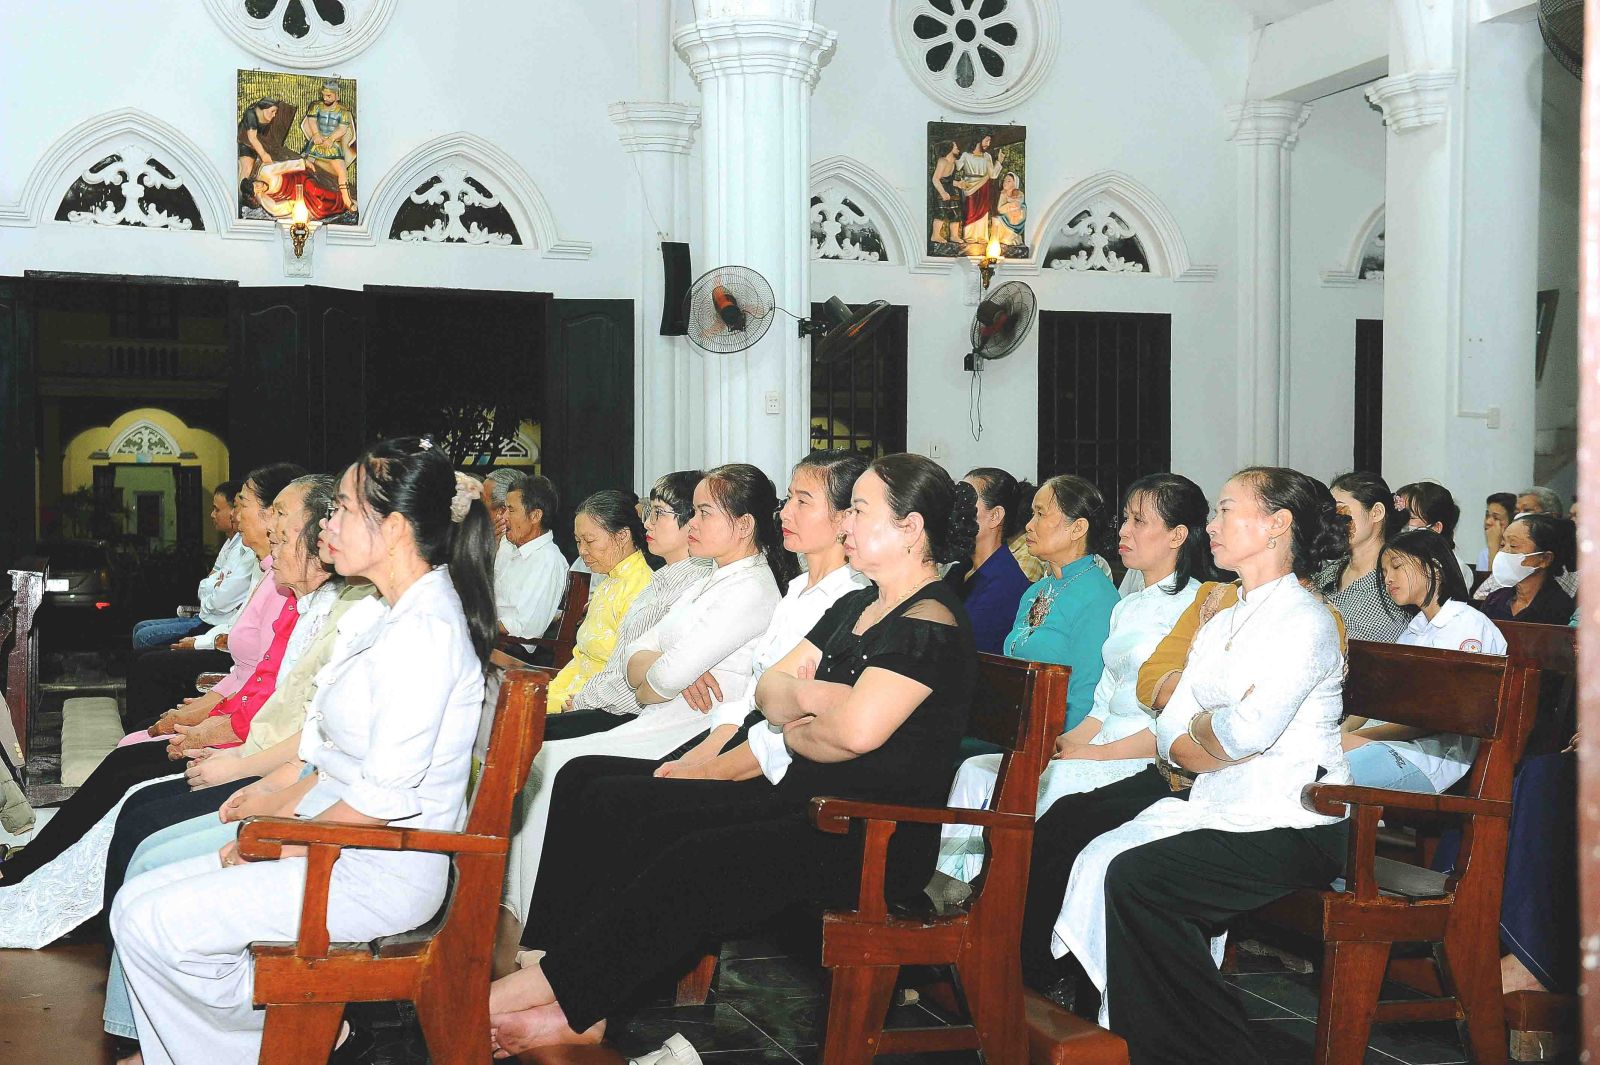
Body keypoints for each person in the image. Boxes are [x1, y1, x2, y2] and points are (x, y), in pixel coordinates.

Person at [484, 453, 978, 1054]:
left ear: (910, 527)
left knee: (697, 857)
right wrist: (812, 702)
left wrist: (797, 720)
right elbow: (769, 690)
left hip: (870, 837)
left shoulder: (929, 620)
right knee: (644, 812)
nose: (846, 523)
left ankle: (555, 997)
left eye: (858, 510)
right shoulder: (857, 606)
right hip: (806, 802)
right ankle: (575, 997)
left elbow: (852, 734)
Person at [112, 438, 495, 1065]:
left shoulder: (424, 633)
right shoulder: (385, 613)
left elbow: (381, 802)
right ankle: (264, 1042)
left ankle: (254, 1046)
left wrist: (279, 838)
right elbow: (333, 753)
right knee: (135, 905)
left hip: (374, 870)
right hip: (336, 842)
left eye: (340, 509)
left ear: (394, 528)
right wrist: (276, 800)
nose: (327, 526)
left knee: (154, 924)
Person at [1050, 466, 1350, 1064]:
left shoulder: (1306, 621)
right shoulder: (1225, 616)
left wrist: (1206, 731)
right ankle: (1154, 1044)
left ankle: (1213, 1050)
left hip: (1294, 822)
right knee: (1109, 860)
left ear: (1276, 525)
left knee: (1141, 879)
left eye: (1226, 510)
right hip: (1219, 804)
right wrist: (1207, 731)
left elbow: (1247, 731)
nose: (1210, 525)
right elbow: (1171, 732)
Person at [497, 465, 786, 926]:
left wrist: (657, 669)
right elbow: (638, 650)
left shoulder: (750, 587)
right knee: (544, 758)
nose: (692, 524)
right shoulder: (710, 578)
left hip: (693, 727)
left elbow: (660, 681)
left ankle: (540, 920)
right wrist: (658, 667)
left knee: (557, 764)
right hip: (659, 715)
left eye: (703, 513)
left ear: (744, 524)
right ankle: (520, 911)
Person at [937, 473, 1216, 884]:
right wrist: (1065, 743)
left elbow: (1177, 719)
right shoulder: (1127, 606)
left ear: (1177, 535)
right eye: (1125, 519)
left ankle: (998, 893)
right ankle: (955, 885)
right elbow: (1102, 702)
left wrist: (1095, 754)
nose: (1123, 531)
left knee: (1044, 784)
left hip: (1142, 755)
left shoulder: (1197, 606)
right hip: (1101, 739)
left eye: (1138, 521)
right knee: (983, 770)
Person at [124, 464, 304, 728]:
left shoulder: (286, 582)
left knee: (149, 664)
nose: (235, 516)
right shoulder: (264, 566)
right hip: (232, 674)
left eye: (241, 505)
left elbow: (264, 682)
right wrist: (204, 708)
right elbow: (209, 588)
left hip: (241, 698)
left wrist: (205, 719)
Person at [1342, 528, 1505, 793]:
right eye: (1383, 572)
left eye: (1396, 566)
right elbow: (1379, 696)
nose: (1388, 578)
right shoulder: (1414, 630)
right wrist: (1345, 729)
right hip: (1395, 742)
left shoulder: (1467, 625)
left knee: (1328, 772)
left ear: (1434, 569)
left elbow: (1439, 717)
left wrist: (1357, 736)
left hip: (1434, 758)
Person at [559, 472, 713, 725]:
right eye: (649, 513)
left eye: (658, 513)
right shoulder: (658, 581)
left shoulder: (694, 586)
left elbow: (641, 683)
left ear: (692, 520)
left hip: (628, 715)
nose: (647, 524)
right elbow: (618, 665)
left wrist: (583, 700)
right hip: (594, 698)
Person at [1004, 475, 1119, 732]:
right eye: (1032, 514)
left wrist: (1057, 745)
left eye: (1040, 514)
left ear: (1077, 528)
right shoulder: (1035, 590)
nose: (1029, 525)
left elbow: (1087, 694)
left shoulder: (1098, 598)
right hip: (1016, 728)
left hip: (1060, 738)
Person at [543, 491, 655, 722]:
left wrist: (577, 701)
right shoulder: (608, 581)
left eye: (590, 541)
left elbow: (623, 677)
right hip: (567, 691)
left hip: (594, 707)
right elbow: (581, 658)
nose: (582, 550)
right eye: (578, 541)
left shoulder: (643, 590)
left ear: (622, 535)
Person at [130, 481, 250, 651]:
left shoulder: (248, 549)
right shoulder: (230, 544)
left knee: (144, 636)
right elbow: (206, 584)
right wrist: (214, 586)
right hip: (208, 615)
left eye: (217, 510)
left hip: (215, 622)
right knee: (139, 628)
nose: (212, 515)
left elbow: (221, 600)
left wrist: (213, 589)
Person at [945, 466, 1033, 654]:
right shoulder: (959, 570)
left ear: (995, 516)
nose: (956, 512)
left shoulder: (1005, 583)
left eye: (966, 502)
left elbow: (960, 648)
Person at [1316, 471, 1409, 642]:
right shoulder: (1331, 570)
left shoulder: (1391, 585)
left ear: (1376, 513)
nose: (1332, 522)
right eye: (1329, 514)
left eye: (1341, 511)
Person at [497, 473, 569, 640]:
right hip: (492, 637)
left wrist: (476, 627)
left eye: (511, 510)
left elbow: (525, 628)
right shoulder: (507, 545)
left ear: (535, 516)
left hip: (512, 646)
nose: (504, 517)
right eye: (504, 509)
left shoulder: (548, 560)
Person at [1479, 512, 1577, 625]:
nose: (1503, 552)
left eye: (1513, 545)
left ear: (1545, 559)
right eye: (1502, 544)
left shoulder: (1560, 609)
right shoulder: (1495, 600)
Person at [1394, 480, 1472, 586]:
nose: (1401, 522)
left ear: (1435, 527)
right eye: (1399, 515)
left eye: (1410, 517)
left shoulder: (1456, 569)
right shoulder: (1390, 559)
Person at [299, 82, 356, 212]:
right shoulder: (316, 107)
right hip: (316, 143)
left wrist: (331, 139)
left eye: (329, 96)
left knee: (342, 172)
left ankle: (347, 200)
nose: (325, 98)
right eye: (324, 95)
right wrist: (316, 134)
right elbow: (311, 121)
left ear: (337, 95)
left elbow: (342, 128)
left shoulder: (343, 112)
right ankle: (301, 196)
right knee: (303, 166)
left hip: (332, 145)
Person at [929, 139, 962, 246]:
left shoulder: (953, 163)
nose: (958, 149)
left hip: (950, 189)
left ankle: (954, 235)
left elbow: (949, 180)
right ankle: (935, 235)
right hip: (941, 189)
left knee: (955, 213)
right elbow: (936, 179)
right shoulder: (942, 161)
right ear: (949, 149)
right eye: (956, 147)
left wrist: (958, 184)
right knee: (941, 212)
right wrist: (942, 192)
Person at [1478, 491, 1518, 574]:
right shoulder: (1485, 554)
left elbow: (1499, 580)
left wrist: (1494, 547)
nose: (1488, 522)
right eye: (1487, 516)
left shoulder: (1519, 554)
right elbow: (1488, 582)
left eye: (1496, 518)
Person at [995, 171, 1026, 247]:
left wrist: (1013, 205)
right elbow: (1000, 209)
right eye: (1004, 180)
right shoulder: (1003, 194)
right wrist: (1009, 205)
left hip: (1017, 218)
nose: (1005, 183)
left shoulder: (1019, 194)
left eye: (1009, 181)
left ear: (1015, 183)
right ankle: (1003, 237)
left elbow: (1019, 205)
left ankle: (1013, 235)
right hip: (1006, 217)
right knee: (997, 219)